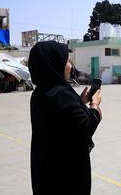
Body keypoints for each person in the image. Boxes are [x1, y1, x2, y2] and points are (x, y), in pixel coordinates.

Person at [28, 41, 102, 195]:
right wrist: (94, 106)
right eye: (67, 61)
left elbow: (62, 120)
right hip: (65, 177)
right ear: (54, 64)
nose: (70, 66)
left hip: (46, 173)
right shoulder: (61, 94)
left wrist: (80, 102)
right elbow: (85, 128)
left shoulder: (40, 93)